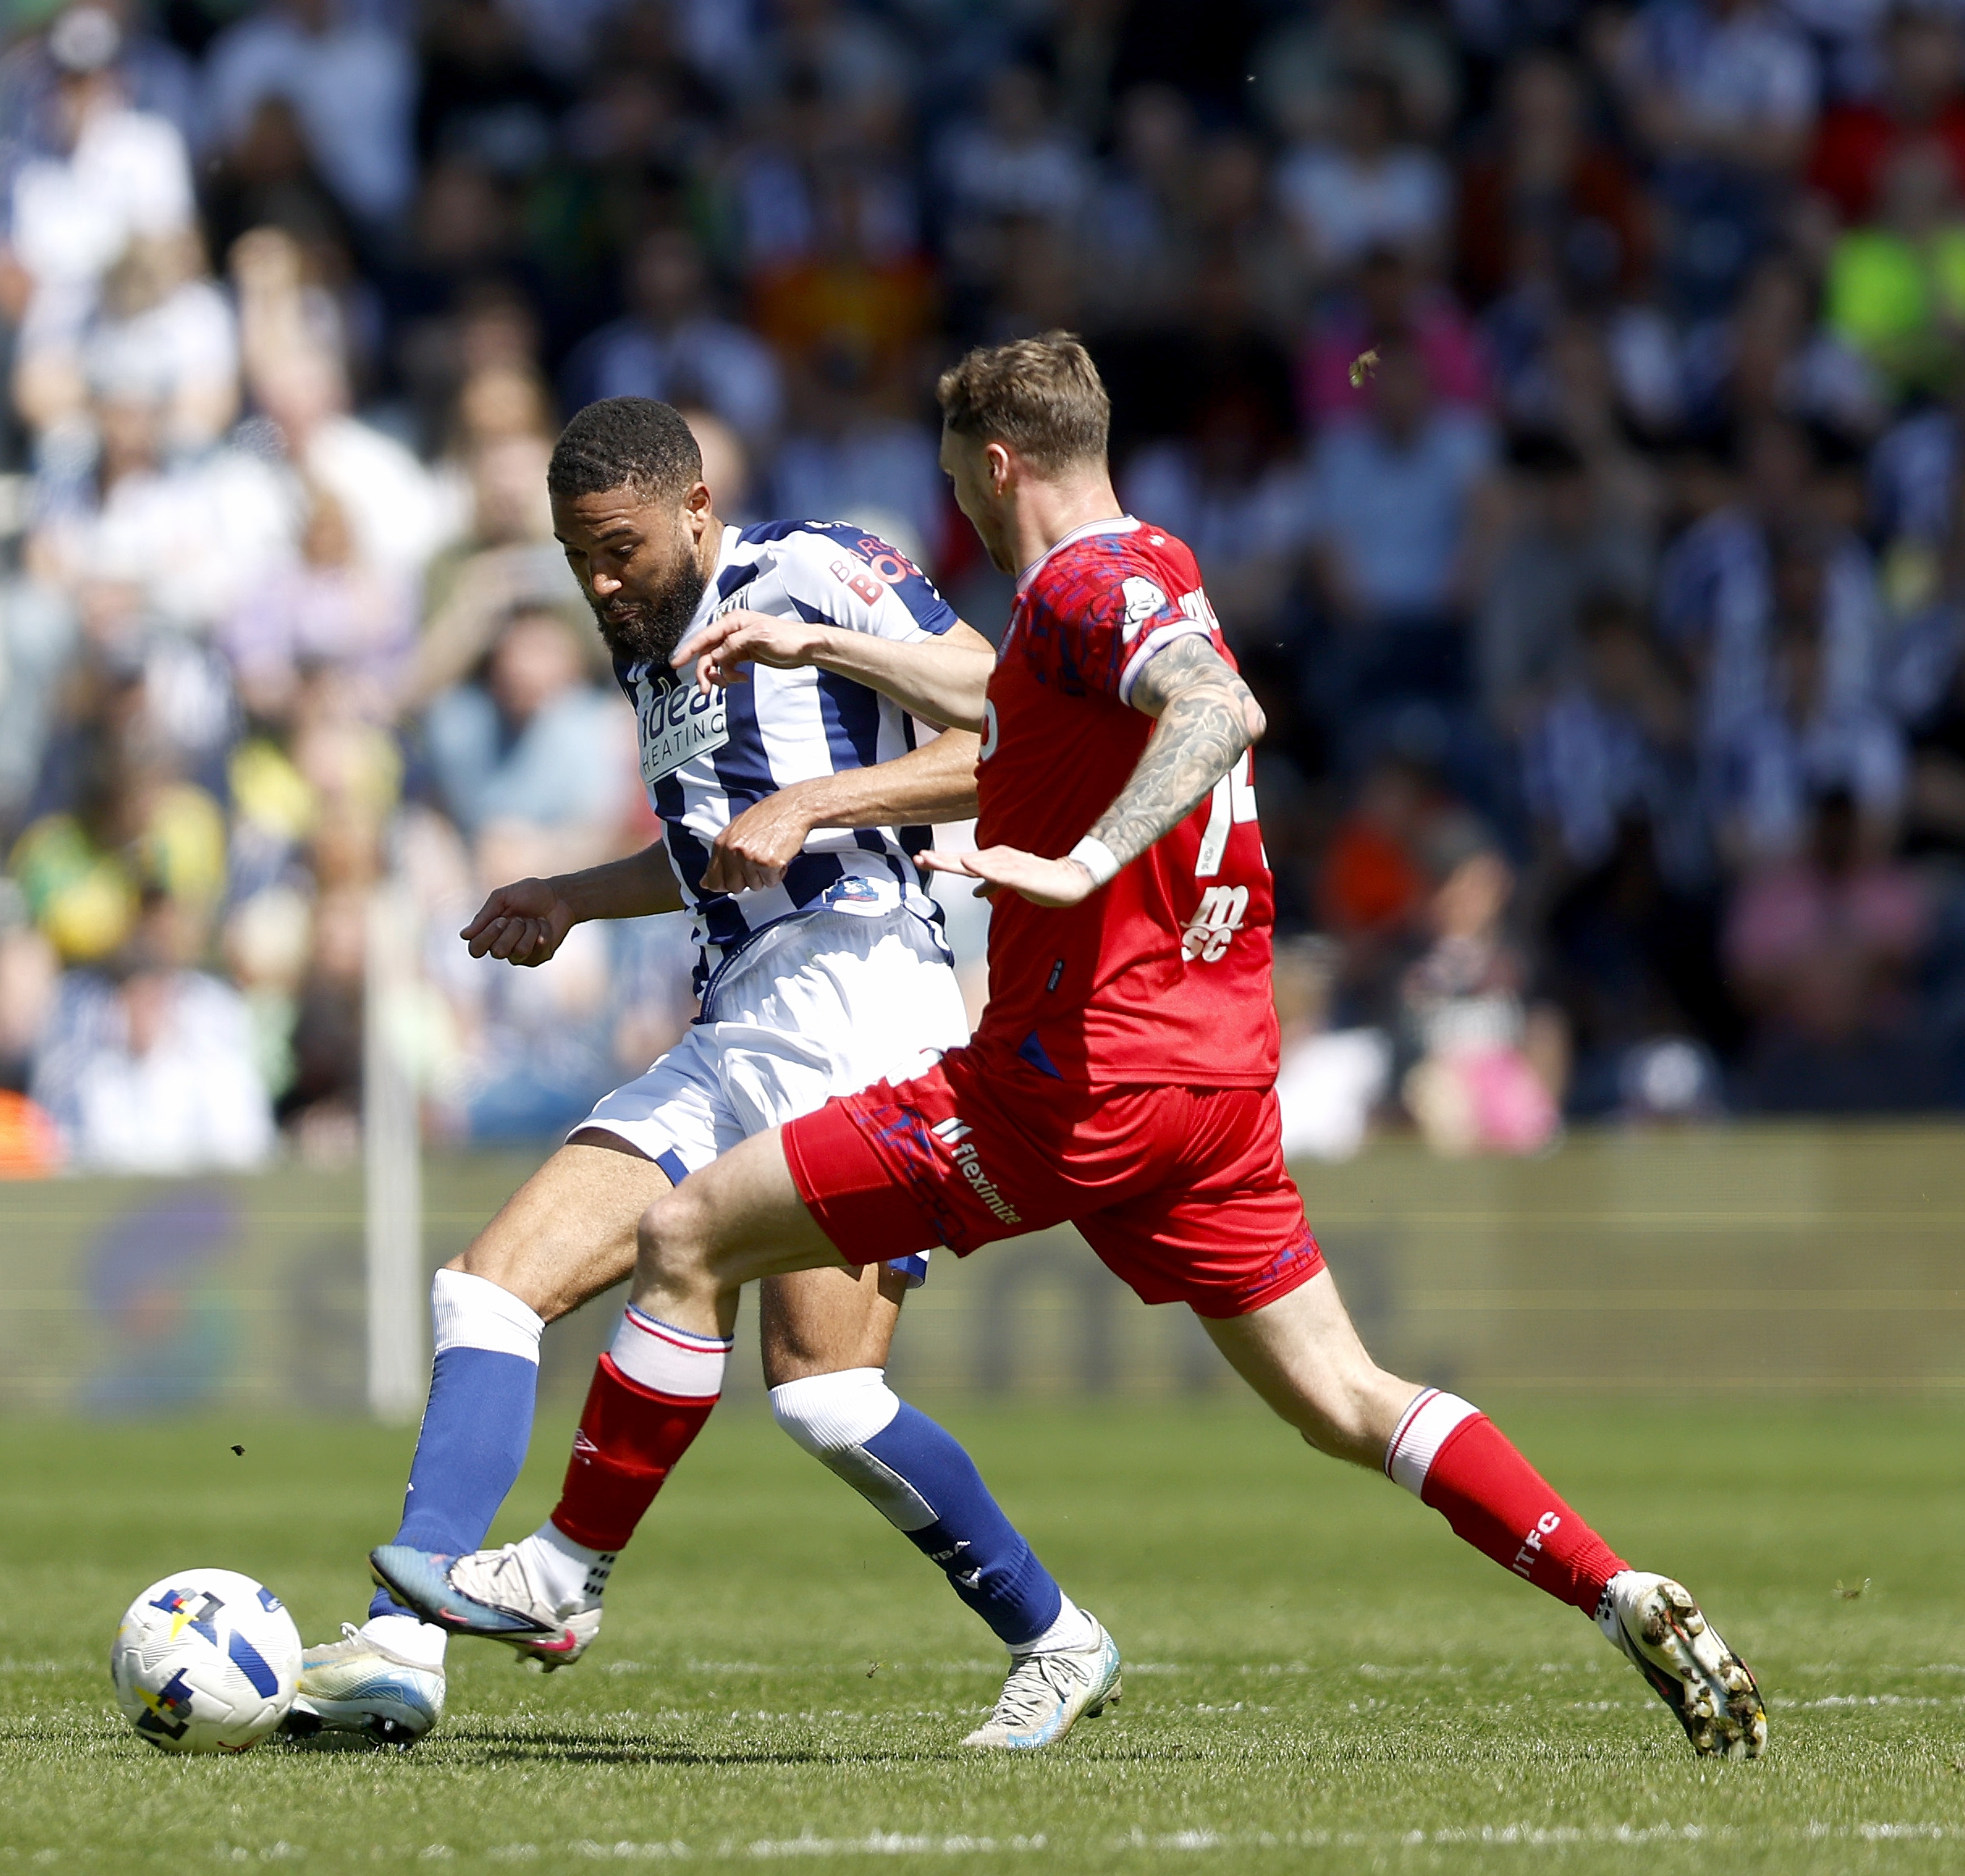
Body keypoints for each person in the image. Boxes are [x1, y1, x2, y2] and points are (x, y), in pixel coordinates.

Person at [386, 336, 1770, 1761]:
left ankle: (564, 1570)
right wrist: (817, 673)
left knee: (686, 1239)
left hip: (1066, 1082)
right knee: (1350, 1401)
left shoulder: (1075, 587)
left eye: (960, 491)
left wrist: (1082, 855)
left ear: (997, 467)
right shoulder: (1157, 564)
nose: (962, 527)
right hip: (1218, 1088)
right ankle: (1614, 1583)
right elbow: (1050, 726)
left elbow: (1218, 711)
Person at [304, 397, 1108, 1751]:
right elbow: (707, 847)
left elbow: (998, 720)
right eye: (577, 561)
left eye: (617, 550)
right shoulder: (647, 652)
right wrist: (569, 891)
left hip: (860, 1001)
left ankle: (1057, 1634)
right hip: (735, 1016)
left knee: (823, 1393)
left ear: (692, 506)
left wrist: (817, 802)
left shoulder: (808, 567)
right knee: (488, 1289)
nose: (600, 583)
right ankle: (405, 1638)